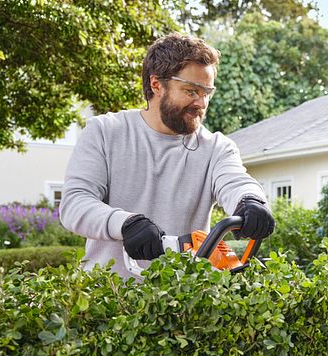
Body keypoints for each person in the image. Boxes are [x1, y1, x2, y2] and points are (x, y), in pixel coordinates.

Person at [60, 33, 274, 278]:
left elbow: (236, 181)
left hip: (182, 302)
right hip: (107, 298)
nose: (202, 103)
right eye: (191, 91)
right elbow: (75, 204)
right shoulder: (105, 132)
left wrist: (252, 201)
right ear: (156, 84)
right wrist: (125, 224)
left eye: (207, 92)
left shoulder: (216, 147)